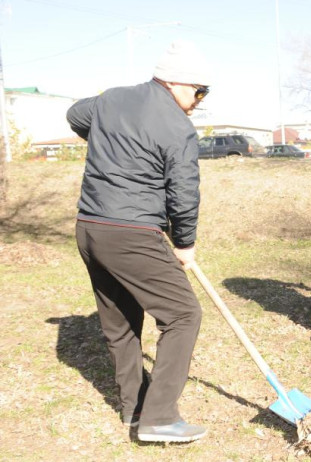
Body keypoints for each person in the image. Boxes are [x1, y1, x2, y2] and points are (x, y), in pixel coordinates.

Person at [67, 40, 211, 442]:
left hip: (90, 229)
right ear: (174, 82)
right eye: (198, 90)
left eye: (206, 92)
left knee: (121, 322)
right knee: (183, 316)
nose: (200, 99)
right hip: (131, 233)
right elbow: (184, 193)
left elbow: (74, 114)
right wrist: (185, 243)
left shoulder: (110, 100)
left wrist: (112, 144)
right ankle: (160, 417)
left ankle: (134, 408)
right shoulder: (177, 127)